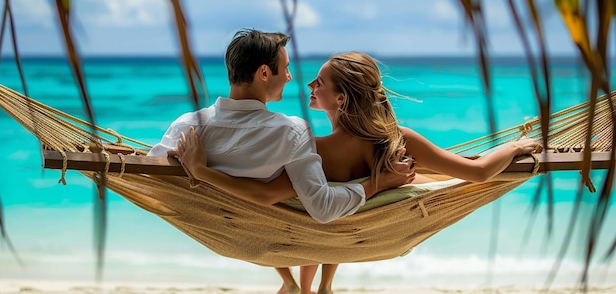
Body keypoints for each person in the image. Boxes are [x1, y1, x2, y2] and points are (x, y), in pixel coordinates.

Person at [178, 50, 541, 294]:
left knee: (303, 207)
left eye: (319, 82)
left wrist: (203, 168)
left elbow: (272, 200)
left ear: (341, 99)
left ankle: (305, 286)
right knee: (430, 181)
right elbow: (476, 174)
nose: (308, 85)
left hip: (321, 227)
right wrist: (515, 147)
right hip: (353, 222)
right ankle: (319, 287)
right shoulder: (398, 141)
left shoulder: (311, 148)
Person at [149, 29, 414, 226]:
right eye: (285, 68)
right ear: (264, 73)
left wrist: (194, 169)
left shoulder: (186, 126)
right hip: (263, 230)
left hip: (214, 226)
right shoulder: (291, 132)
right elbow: (322, 208)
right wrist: (377, 185)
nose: (289, 77)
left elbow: (152, 181)